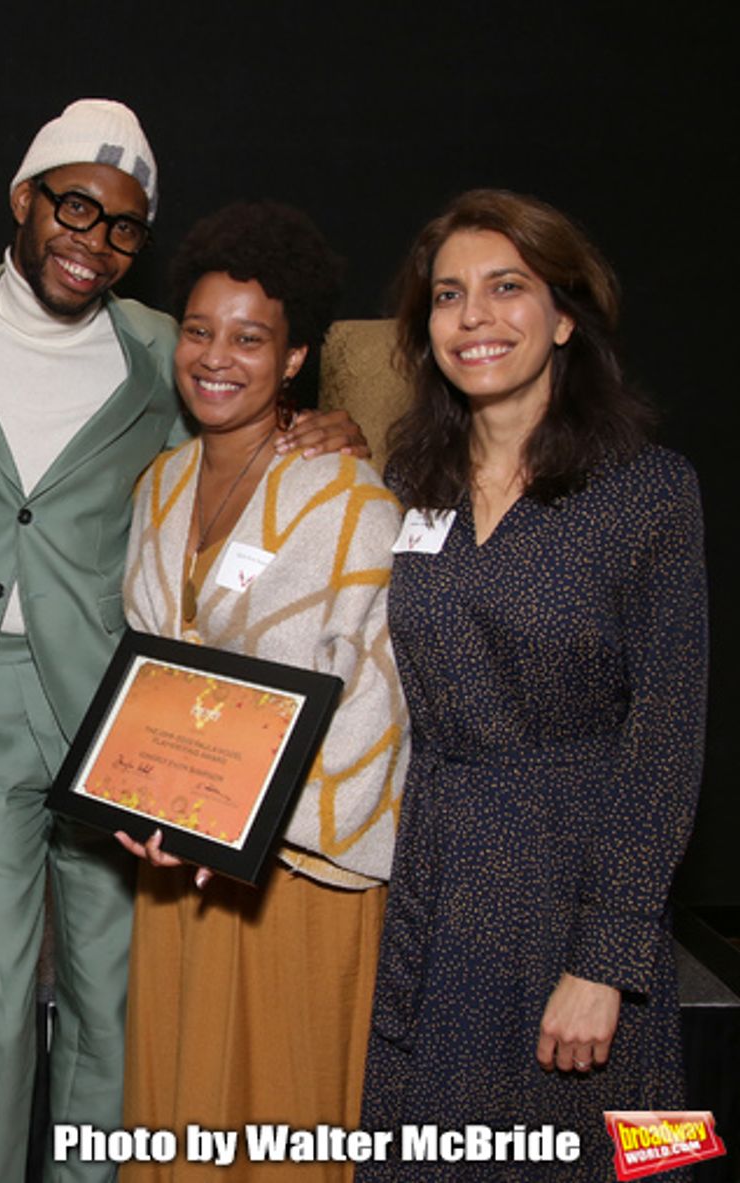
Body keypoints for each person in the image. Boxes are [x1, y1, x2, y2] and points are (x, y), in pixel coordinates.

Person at [0, 105, 369, 1182]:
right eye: (75, 207)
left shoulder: (158, 345)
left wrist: (330, 421)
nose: (93, 239)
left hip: (110, 710)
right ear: (24, 200)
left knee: (107, 1000)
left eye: (124, 227)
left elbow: (241, 422)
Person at [358, 189, 707, 1179]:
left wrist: (607, 953)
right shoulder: (403, 487)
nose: (472, 318)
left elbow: (667, 729)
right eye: (446, 295)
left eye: (504, 289)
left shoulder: (646, 490)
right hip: (436, 878)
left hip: (575, 876)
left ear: (561, 316)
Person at [116, 202, 408, 1182]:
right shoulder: (158, 486)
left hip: (292, 875)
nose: (215, 357)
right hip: (181, 867)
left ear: (293, 359)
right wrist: (148, 804)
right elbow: (155, 671)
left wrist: (246, 829)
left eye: (250, 337)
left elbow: (373, 704)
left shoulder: (352, 499)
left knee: (277, 1126)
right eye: (198, 331)